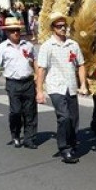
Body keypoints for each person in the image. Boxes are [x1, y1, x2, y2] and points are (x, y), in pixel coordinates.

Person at [35, 12, 87, 163]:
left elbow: (81, 65)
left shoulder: (73, 45)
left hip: (71, 86)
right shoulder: (47, 46)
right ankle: (64, 148)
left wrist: (83, 84)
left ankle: (71, 143)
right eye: (59, 26)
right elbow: (41, 69)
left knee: (73, 119)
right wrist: (39, 91)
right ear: (53, 28)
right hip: (55, 86)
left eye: (65, 25)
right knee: (64, 117)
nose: (63, 28)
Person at [0, 17, 38, 148]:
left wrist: (38, 76)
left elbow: (35, 61)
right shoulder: (2, 48)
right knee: (16, 111)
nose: (15, 33)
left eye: (17, 30)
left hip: (28, 82)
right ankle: (15, 134)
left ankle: (29, 138)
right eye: (12, 30)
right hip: (13, 83)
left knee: (30, 111)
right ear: (7, 32)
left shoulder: (28, 45)